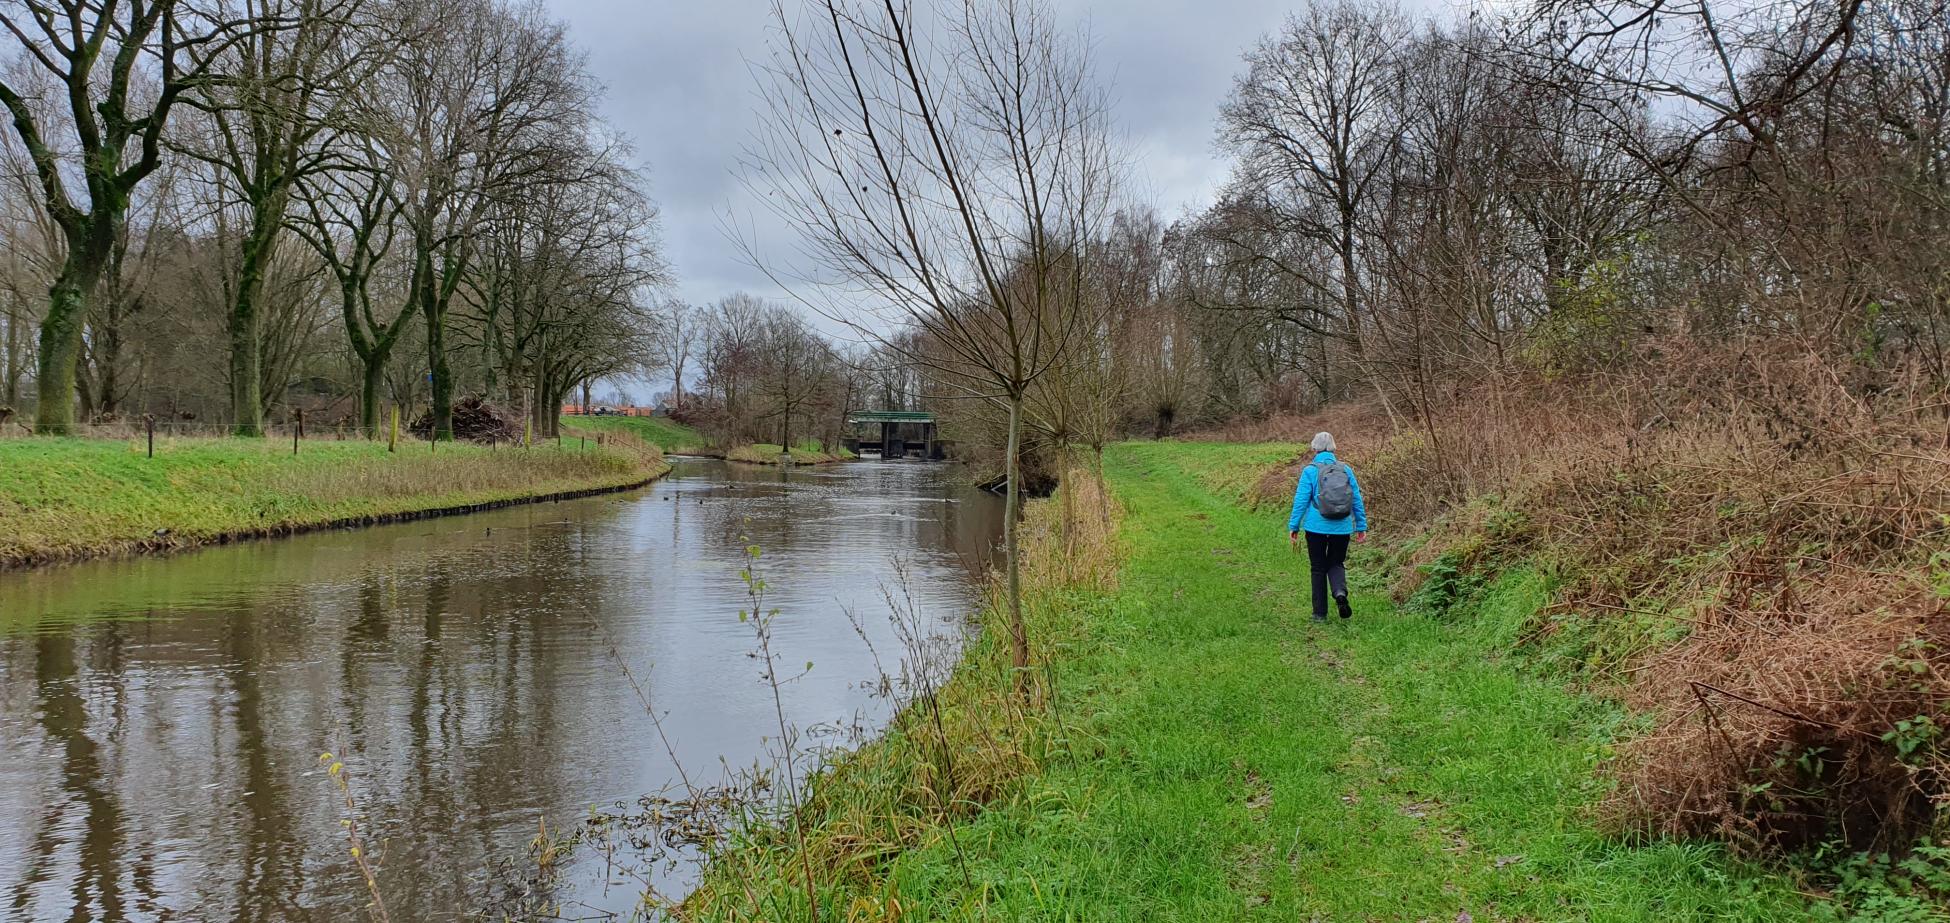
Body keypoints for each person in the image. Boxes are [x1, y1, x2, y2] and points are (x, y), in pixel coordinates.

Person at [1288, 432, 1369, 623]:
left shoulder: (1310, 470)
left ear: (1314, 448)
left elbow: (1300, 501)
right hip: (1342, 527)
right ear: (1333, 447)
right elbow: (1356, 498)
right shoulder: (1345, 469)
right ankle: (1340, 593)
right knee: (1336, 563)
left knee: (1318, 568)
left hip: (1315, 527)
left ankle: (1319, 614)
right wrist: (1361, 525)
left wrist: (1294, 525)